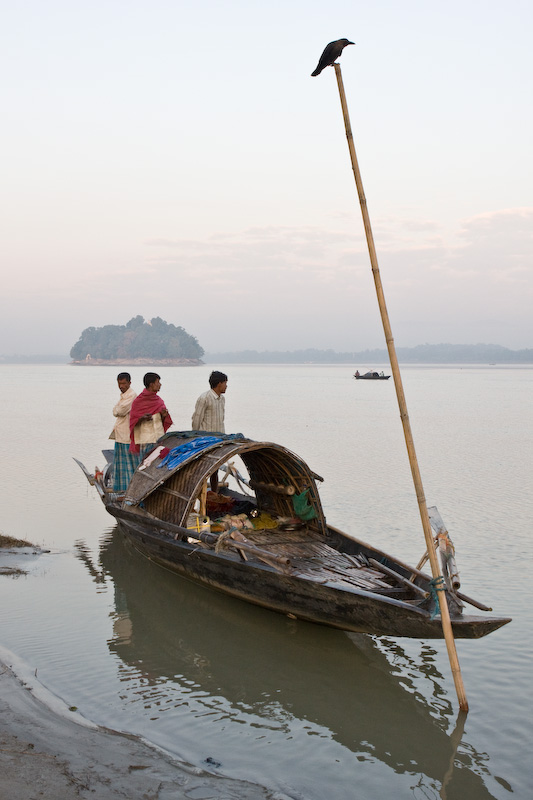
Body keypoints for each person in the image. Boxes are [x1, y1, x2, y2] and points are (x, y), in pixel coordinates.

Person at [191, 371, 228, 492]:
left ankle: (214, 493)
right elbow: (197, 419)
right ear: (219, 384)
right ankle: (201, 493)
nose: (226, 386)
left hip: (219, 439)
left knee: (215, 469)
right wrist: (195, 438)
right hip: (206, 439)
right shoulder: (204, 398)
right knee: (204, 469)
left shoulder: (222, 399)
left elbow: (221, 419)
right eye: (225, 383)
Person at [129, 373, 173, 460]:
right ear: (151, 384)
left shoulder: (158, 400)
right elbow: (133, 420)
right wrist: (142, 418)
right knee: (145, 462)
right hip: (146, 439)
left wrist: (164, 415)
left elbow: (163, 420)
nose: (160, 384)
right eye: (158, 382)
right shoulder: (138, 401)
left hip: (159, 437)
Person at [110, 372, 138, 493]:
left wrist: (116, 409)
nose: (121, 386)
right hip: (120, 435)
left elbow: (118, 411)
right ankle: (122, 490)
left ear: (129, 383)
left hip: (127, 436)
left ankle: (130, 491)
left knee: (129, 466)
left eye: (124, 383)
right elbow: (116, 410)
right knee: (120, 465)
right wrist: (116, 409)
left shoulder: (131, 395)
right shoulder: (124, 395)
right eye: (119, 383)